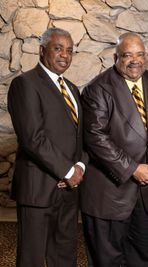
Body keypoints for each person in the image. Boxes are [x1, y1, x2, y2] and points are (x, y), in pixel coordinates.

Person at [79, 32, 148, 267]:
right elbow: (95, 138)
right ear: (115, 57)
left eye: (140, 54)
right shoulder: (97, 89)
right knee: (107, 260)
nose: (135, 60)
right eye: (127, 55)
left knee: (142, 257)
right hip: (110, 194)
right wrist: (132, 168)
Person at [7, 28, 88, 267]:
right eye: (58, 48)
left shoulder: (72, 89)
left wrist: (80, 166)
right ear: (42, 50)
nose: (65, 55)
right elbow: (33, 137)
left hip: (69, 190)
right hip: (38, 189)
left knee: (64, 255)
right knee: (31, 258)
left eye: (70, 50)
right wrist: (68, 171)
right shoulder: (25, 84)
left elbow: (81, 137)